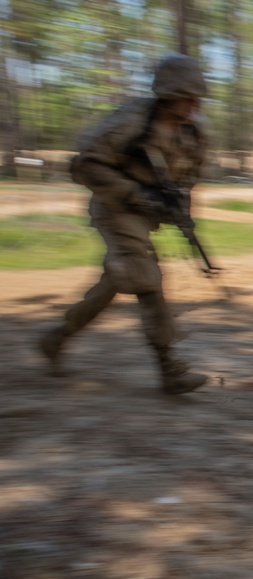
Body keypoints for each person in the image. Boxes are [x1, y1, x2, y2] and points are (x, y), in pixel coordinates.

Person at [39, 54, 209, 395]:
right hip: (114, 208)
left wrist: (180, 212)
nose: (195, 104)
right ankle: (169, 366)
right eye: (188, 96)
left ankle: (57, 338)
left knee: (118, 279)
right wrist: (136, 194)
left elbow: (188, 179)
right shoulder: (131, 123)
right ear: (168, 94)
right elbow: (84, 166)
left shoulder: (192, 133)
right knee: (146, 274)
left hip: (147, 213)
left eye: (197, 97)